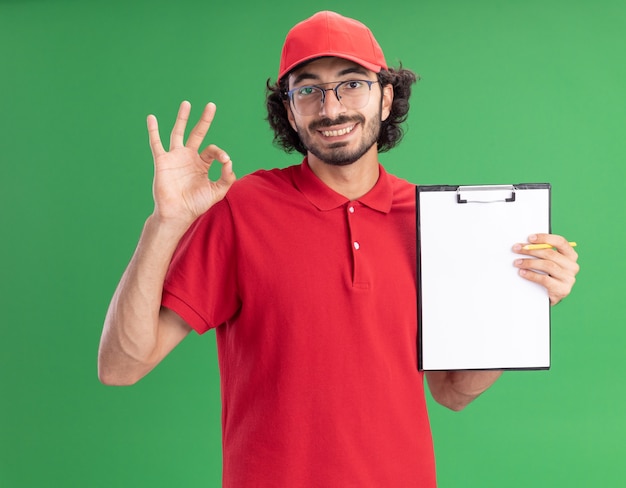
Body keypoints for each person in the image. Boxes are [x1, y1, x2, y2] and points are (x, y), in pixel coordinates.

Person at [98, 10, 579, 487]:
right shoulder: (240, 209)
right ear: (289, 110)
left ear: (386, 97)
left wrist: (526, 299)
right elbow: (122, 366)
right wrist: (164, 223)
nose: (331, 109)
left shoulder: (433, 219)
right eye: (308, 90)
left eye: (352, 84)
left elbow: (452, 391)